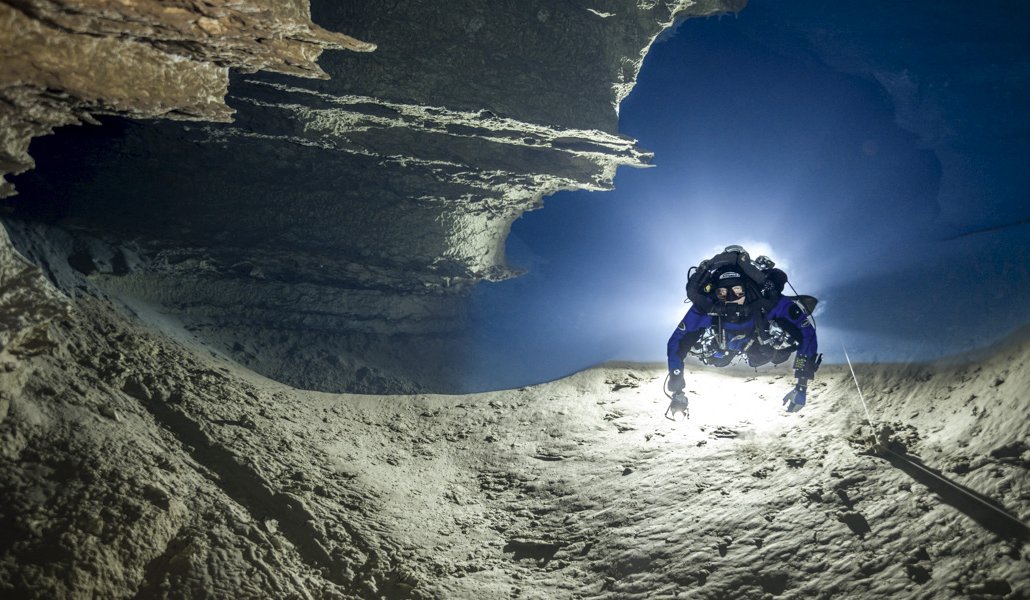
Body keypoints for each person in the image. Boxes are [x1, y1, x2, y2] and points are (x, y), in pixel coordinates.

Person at [665, 246, 819, 417]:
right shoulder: (706, 306)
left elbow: (806, 332)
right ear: (715, 293)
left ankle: (777, 340)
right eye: (723, 293)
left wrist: (802, 385)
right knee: (717, 361)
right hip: (722, 346)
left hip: (758, 343)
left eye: (737, 292)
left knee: (769, 356)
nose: (731, 299)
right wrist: (677, 390)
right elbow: (676, 342)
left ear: (748, 288)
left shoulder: (765, 300)